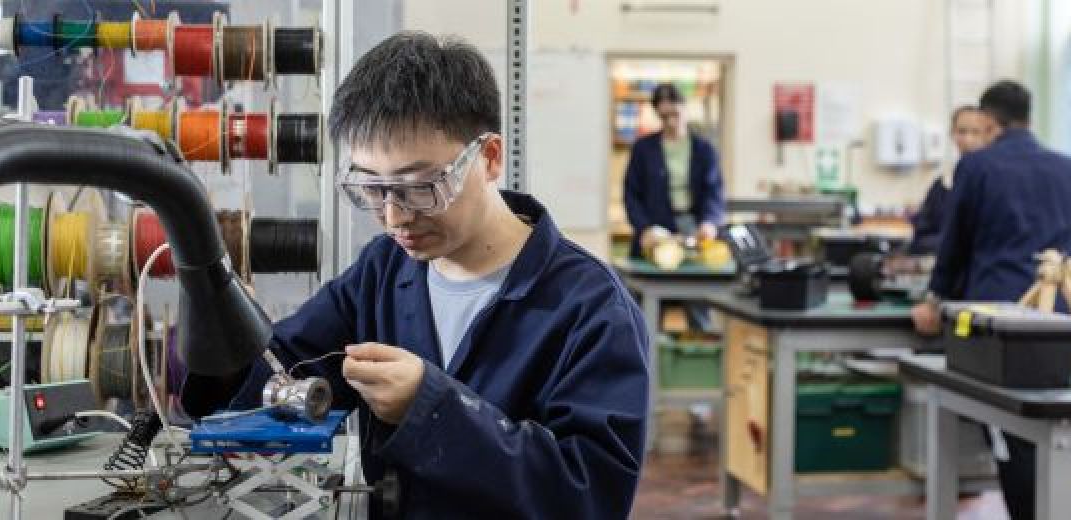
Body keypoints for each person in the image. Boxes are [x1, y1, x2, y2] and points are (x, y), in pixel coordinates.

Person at [180, 32, 650, 518]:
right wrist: (217, 322)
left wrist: (433, 411)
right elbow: (282, 369)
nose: (393, 217)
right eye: (371, 187)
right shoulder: (382, 272)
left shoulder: (591, 311)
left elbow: (590, 495)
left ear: (489, 157)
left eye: (420, 187)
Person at [912, 80, 1071, 520]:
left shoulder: (978, 167)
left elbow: (956, 244)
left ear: (989, 122)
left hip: (996, 319)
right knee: (1048, 424)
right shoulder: (1069, 168)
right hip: (1057, 316)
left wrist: (935, 299)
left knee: (1009, 430)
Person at [623, 83, 726, 257]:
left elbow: (714, 191)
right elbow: (631, 194)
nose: (670, 121)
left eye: (675, 114)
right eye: (664, 116)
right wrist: (644, 228)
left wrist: (709, 222)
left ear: (685, 109)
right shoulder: (643, 149)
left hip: (694, 230)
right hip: (656, 232)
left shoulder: (704, 149)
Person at [907, 106, 1000, 255]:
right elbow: (921, 239)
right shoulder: (943, 184)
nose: (968, 139)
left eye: (976, 132)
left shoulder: (999, 183)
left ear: (989, 135)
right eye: (962, 132)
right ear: (952, 134)